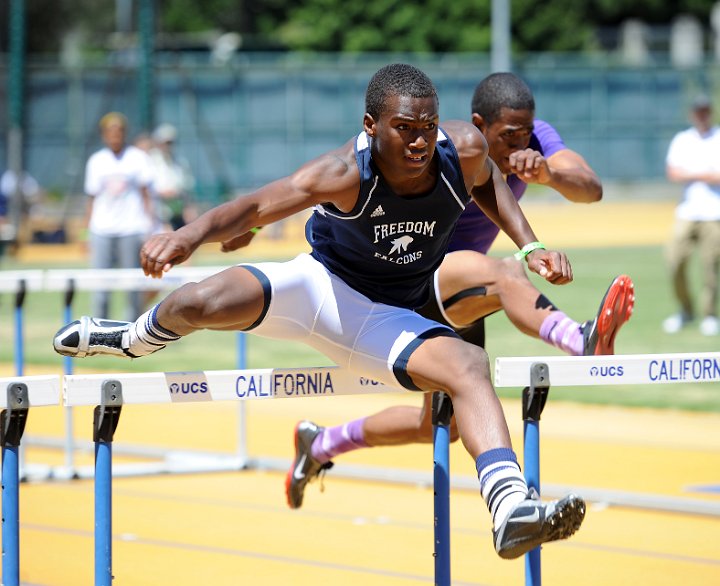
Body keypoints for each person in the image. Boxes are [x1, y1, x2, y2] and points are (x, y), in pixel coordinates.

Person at [53, 63, 586, 560]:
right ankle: (131, 339)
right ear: (371, 126)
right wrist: (187, 236)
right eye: (405, 128)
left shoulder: (463, 150)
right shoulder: (345, 173)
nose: (420, 140)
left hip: (387, 315)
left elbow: (488, 179)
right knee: (196, 301)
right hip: (319, 288)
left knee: (469, 369)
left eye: (427, 126)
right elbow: (259, 205)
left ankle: (510, 509)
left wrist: (527, 247)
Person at [284, 72, 633, 510]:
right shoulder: (444, 149)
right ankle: (581, 340)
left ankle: (320, 443)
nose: (519, 146)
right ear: (478, 126)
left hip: (461, 286)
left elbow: (590, 188)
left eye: (527, 134)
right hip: (416, 277)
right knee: (507, 274)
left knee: (436, 424)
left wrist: (546, 173)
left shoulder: (533, 141)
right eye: (507, 137)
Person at [83, 112, 155, 321]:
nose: (114, 136)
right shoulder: (97, 161)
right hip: (102, 229)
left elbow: (146, 194)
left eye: (119, 131)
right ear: (104, 135)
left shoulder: (137, 158)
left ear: (124, 133)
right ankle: (99, 329)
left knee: (133, 284)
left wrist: (150, 225)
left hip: (131, 228)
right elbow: (91, 198)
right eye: (110, 132)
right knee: (100, 285)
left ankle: (133, 331)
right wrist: (85, 232)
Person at [662, 94, 720, 337]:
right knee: (674, 261)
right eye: (698, 111)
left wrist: (693, 173)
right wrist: (705, 173)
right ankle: (686, 309)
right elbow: (673, 173)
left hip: (714, 213)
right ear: (692, 114)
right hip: (687, 211)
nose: (702, 115)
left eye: (705, 111)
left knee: (712, 267)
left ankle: (709, 314)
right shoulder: (683, 139)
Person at [149, 123, 198, 232]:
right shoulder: (149, 161)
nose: (168, 146)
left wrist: (188, 208)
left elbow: (187, 187)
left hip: (177, 211)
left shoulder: (180, 162)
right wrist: (164, 193)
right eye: (165, 142)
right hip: (158, 214)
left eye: (170, 143)